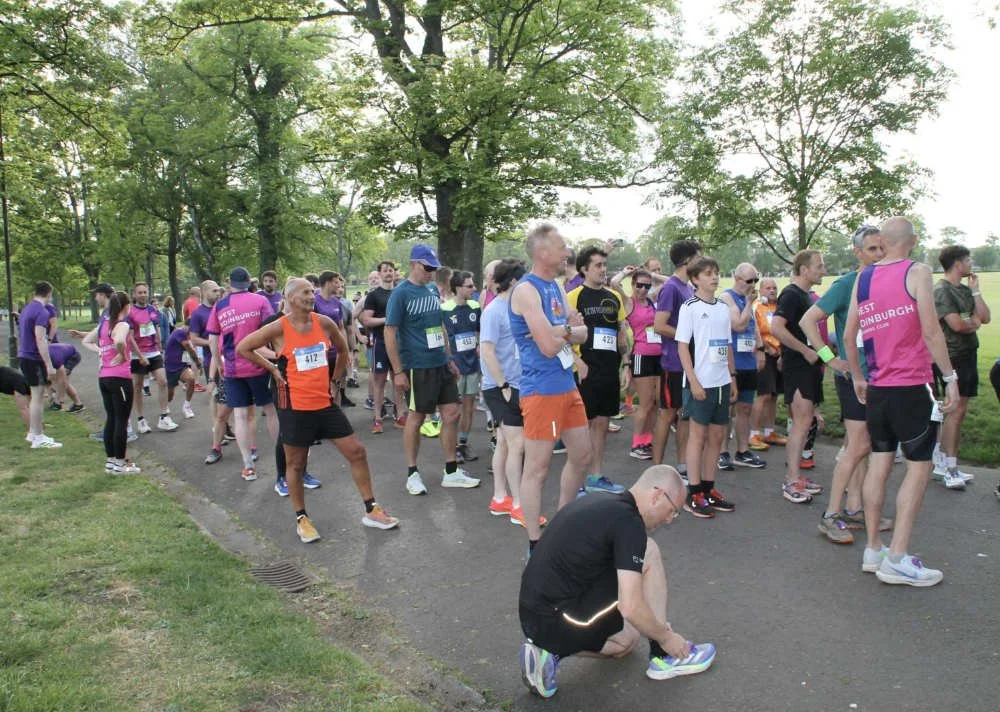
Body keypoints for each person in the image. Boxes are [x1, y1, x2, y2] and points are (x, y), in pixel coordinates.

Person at [518, 465, 716, 699]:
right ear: (657, 495)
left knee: (627, 641)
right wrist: (666, 637)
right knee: (649, 553)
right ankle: (663, 655)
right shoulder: (629, 525)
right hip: (557, 615)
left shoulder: (599, 501)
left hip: (532, 613)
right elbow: (630, 607)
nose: (670, 520)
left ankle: (549, 652)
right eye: (672, 510)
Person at [238, 278, 399, 542]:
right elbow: (244, 347)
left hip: (324, 404)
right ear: (290, 298)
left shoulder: (323, 322)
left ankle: (372, 510)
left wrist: (336, 381)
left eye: (312, 292)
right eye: (305, 292)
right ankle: (302, 518)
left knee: (356, 452)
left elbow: (342, 347)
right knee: (296, 463)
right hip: (295, 407)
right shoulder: (278, 327)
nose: (311, 295)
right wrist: (272, 369)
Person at [845, 216, 959, 587]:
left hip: (877, 387)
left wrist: (860, 377)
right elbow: (930, 329)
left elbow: (848, 334)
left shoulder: (863, 277)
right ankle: (897, 556)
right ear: (911, 240)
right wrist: (950, 377)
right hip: (911, 385)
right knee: (919, 467)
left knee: (880, 461)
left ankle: (873, 549)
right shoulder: (918, 271)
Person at [800, 225, 889, 542]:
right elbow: (807, 320)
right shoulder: (846, 284)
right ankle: (831, 514)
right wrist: (828, 357)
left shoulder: (884, 282)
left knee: (863, 445)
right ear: (858, 252)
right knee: (859, 445)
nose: (879, 254)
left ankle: (854, 508)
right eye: (872, 249)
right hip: (853, 378)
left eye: (882, 248)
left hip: (880, 377)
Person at [510, 224, 592, 550]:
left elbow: (582, 332)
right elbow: (545, 346)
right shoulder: (526, 291)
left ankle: (561, 524)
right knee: (538, 468)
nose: (567, 252)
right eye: (562, 247)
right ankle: (535, 541)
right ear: (543, 252)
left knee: (582, 455)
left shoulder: (556, 287)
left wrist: (562, 331)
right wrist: (565, 331)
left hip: (565, 384)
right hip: (541, 391)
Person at [385, 244, 480, 495]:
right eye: (427, 268)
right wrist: (398, 371)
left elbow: (439, 325)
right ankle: (412, 473)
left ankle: (451, 472)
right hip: (417, 365)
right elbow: (390, 332)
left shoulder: (430, 289)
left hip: (440, 362)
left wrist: (449, 357)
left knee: (451, 413)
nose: (431, 273)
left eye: (433, 268)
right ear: (415, 264)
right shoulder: (400, 294)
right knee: (416, 417)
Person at [675, 257, 738, 518]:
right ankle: (694, 491)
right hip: (700, 383)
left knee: (716, 438)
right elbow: (682, 347)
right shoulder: (689, 307)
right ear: (696, 279)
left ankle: (710, 489)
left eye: (716, 273)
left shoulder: (723, 308)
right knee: (697, 437)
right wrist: (694, 381)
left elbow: (727, 344)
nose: (714, 277)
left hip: (721, 381)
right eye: (708, 273)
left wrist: (732, 377)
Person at [480, 259, 539, 526]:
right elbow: (487, 351)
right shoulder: (493, 311)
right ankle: (519, 505)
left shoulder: (517, 308)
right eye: (524, 279)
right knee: (518, 445)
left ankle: (500, 498)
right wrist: (503, 385)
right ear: (514, 282)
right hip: (499, 386)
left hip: (518, 383)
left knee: (505, 442)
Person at [566, 246, 628, 492]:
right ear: (584, 269)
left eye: (604, 265)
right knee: (581, 428)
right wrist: (576, 360)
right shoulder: (573, 297)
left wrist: (627, 364)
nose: (603, 270)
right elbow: (561, 334)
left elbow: (621, 332)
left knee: (602, 424)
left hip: (609, 370)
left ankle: (596, 477)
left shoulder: (613, 297)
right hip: (584, 370)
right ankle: (577, 481)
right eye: (598, 266)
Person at [207, 267, 278, 480]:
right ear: (248, 282)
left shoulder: (220, 305)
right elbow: (271, 329)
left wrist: (218, 361)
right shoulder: (260, 301)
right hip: (259, 363)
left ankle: (248, 465)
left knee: (239, 414)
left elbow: (212, 339)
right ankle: (283, 456)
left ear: (230, 283)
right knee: (270, 410)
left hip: (232, 367)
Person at [769, 250, 827, 504]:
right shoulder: (791, 294)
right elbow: (776, 328)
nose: (823, 270)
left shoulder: (804, 295)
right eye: (819, 266)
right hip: (800, 367)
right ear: (804, 270)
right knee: (801, 424)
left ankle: (796, 476)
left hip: (807, 366)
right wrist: (804, 351)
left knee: (805, 423)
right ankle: (791, 480)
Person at [932, 245, 990, 488]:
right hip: (951, 356)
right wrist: (973, 321)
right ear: (957, 263)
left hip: (968, 354)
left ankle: (945, 462)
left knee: (960, 410)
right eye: (968, 259)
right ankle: (948, 467)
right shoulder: (942, 290)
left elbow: (985, 317)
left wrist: (976, 294)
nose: (971, 263)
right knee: (954, 411)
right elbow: (957, 324)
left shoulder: (965, 290)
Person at [651, 240, 701, 472]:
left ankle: (682, 465)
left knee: (685, 415)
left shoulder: (689, 288)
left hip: (689, 363)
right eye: (699, 258)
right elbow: (659, 325)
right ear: (688, 261)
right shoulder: (671, 288)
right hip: (673, 362)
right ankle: (656, 469)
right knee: (667, 414)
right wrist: (689, 337)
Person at [82, 291, 139, 473]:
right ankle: (120, 463)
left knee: (112, 419)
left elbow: (86, 340)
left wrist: (100, 351)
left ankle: (111, 461)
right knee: (121, 421)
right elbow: (120, 340)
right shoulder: (121, 324)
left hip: (104, 377)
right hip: (120, 378)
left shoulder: (104, 324)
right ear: (126, 306)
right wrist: (122, 354)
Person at [718, 263, 766, 470]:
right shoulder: (726, 298)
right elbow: (737, 324)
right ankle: (721, 452)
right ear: (737, 278)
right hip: (731, 362)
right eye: (749, 281)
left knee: (745, 407)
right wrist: (748, 303)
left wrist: (761, 349)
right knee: (726, 409)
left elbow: (752, 326)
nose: (753, 284)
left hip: (748, 360)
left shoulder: (750, 301)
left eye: (756, 280)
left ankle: (743, 450)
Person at [618, 268, 661, 460]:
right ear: (633, 284)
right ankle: (636, 444)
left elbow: (672, 282)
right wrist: (626, 272)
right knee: (645, 403)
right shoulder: (629, 302)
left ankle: (647, 440)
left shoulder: (651, 300)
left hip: (659, 355)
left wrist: (654, 276)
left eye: (647, 285)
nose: (643, 289)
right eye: (639, 285)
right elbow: (613, 283)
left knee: (655, 403)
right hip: (641, 356)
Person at [442, 270, 482, 463]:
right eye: (469, 286)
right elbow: (442, 338)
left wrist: (480, 344)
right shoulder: (445, 309)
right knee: (452, 411)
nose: (474, 289)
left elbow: (481, 332)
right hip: (454, 367)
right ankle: (451, 449)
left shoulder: (475, 307)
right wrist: (448, 360)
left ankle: (463, 444)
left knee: (469, 407)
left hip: (472, 365)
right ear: (457, 288)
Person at [127, 282, 177, 434]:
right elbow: (130, 337)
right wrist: (140, 356)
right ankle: (141, 420)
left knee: (163, 381)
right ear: (134, 295)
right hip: (137, 354)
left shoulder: (152, 309)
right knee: (137, 387)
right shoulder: (130, 312)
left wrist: (160, 345)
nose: (143, 295)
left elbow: (155, 328)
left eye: (145, 292)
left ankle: (164, 416)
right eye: (140, 292)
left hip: (154, 352)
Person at [361, 261, 405, 433]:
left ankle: (400, 415)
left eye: (391, 270)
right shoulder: (374, 296)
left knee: (398, 380)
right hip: (380, 342)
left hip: (398, 343)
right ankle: (377, 418)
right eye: (385, 270)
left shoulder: (400, 293)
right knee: (379, 381)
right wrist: (387, 320)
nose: (388, 273)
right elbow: (366, 320)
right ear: (379, 274)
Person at [18, 281, 61, 449]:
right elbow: (40, 338)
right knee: (37, 397)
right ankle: (38, 436)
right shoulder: (42, 312)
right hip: (33, 358)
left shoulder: (27, 309)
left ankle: (33, 432)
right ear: (49, 293)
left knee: (35, 396)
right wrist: (49, 364)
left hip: (25, 356)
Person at [748, 278, 788, 450]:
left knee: (773, 395)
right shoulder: (757, 306)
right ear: (760, 290)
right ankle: (754, 434)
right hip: (763, 354)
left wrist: (783, 353)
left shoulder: (779, 308)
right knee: (763, 395)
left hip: (779, 355)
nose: (772, 291)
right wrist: (765, 348)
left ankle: (769, 432)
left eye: (774, 288)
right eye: (768, 288)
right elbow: (752, 330)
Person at [163, 325, 202, 420]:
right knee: (170, 395)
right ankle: (164, 406)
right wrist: (198, 363)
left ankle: (187, 406)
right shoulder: (180, 332)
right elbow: (188, 348)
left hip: (182, 366)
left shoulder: (186, 334)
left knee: (191, 378)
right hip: (171, 366)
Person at [47, 343, 85, 412]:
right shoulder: (39, 356)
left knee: (62, 382)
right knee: (53, 378)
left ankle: (78, 404)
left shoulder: (54, 359)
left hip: (73, 356)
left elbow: (62, 379)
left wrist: (60, 399)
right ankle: (55, 399)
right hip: (62, 353)